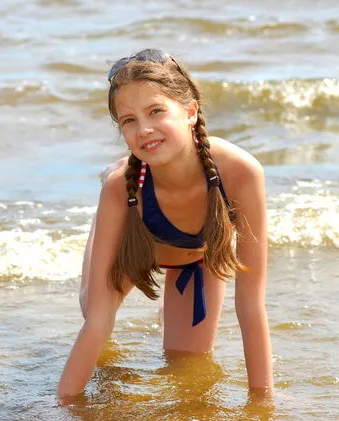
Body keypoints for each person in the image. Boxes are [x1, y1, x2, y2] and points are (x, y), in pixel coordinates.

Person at [57, 48, 273, 399]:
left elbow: (250, 305)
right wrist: (62, 405)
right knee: (95, 313)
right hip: (134, 241)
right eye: (128, 120)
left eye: (156, 111)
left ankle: (170, 309)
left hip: (196, 260)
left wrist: (263, 401)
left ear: (190, 111)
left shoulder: (240, 172)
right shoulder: (120, 191)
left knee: (187, 363)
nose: (143, 129)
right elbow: (97, 323)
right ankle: (115, 167)